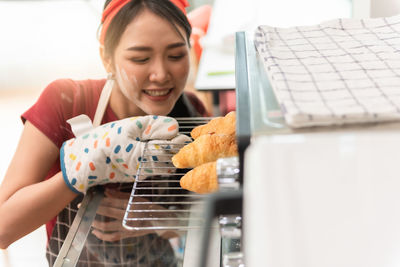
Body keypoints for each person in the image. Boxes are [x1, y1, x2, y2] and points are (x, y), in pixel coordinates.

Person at [0, 0, 209, 266]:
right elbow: (3, 228)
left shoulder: (191, 114)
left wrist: (160, 220)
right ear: (106, 57)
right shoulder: (67, 102)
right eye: (140, 58)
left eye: (176, 55)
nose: (161, 74)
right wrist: (88, 163)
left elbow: (207, 215)